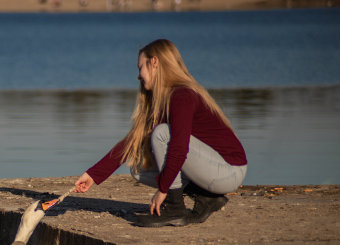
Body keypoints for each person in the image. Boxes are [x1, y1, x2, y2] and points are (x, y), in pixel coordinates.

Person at [74, 39, 247, 227]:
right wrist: (93, 174)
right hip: (213, 171)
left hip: (229, 171)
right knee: (139, 168)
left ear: (154, 62)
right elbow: (133, 140)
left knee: (163, 133)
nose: (138, 76)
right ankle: (207, 198)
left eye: (140, 67)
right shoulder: (165, 99)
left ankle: (174, 209)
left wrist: (163, 191)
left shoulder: (182, 96)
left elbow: (179, 149)